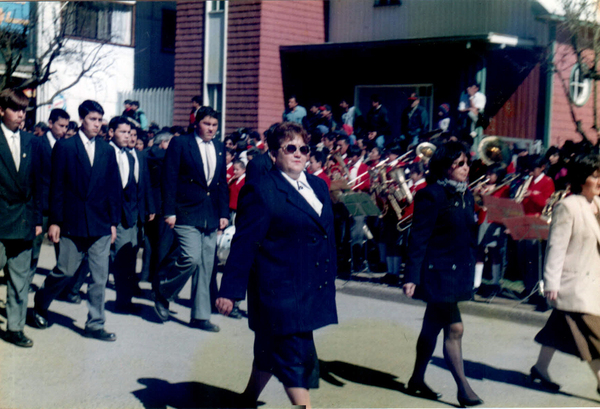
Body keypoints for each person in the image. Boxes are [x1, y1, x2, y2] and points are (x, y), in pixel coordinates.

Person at [216, 122, 337, 408]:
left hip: (309, 288)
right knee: (295, 358)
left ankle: (246, 399)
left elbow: (327, 237)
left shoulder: (318, 185)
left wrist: (330, 277)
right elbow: (245, 243)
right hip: (278, 290)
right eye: (290, 148)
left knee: (271, 350)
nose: (298, 154)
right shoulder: (261, 189)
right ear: (273, 154)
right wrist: (229, 290)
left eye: (303, 149)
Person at [32, 100, 121, 342]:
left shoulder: (107, 150)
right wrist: (55, 221)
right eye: (93, 119)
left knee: (100, 277)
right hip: (72, 222)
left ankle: (95, 323)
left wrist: (113, 222)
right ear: (81, 119)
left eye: (100, 119)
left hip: (101, 224)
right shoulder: (66, 147)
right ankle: (41, 301)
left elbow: (113, 189)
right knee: (65, 271)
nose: (98, 124)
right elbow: (56, 186)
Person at [403, 141, 483, 407]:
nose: (465, 168)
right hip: (437, 273)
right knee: (455, 328)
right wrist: (411, 276)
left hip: (458, 272)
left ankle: (416, 379)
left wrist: (475, 267)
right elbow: (419, 238)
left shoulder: (466, 194)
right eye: (459, 164)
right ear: (446, 167)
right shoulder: (432, 195)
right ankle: (464, 389)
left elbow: (469, 236)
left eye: (466, 163)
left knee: (431, 327)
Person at [529, 153, 600, 394]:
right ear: (582, 179)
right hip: (575, 285)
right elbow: (556, 247)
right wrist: (551, 282)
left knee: (558, 329)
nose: (599, 180)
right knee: (594, 336)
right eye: (594, 175)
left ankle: (540, 368)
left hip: (594, 285)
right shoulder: (567, 207)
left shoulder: (598, 205)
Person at [153, 106, 229, 332]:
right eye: (207, 124)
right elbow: (169, 177)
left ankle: (200, 315)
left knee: (206, 266)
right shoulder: (181, 143)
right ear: (197, 123)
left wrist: (224, 213)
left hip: (210, 214)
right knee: (191, 257)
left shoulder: (218, 147)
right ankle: (164, 291)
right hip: (184, 212)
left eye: (214, 125)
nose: (211, 129)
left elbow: (221, 183)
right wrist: (169, 211)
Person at [0, 89, 42, 348]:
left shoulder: (31, 142)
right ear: (1, 111)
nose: (20, 115)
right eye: (15, 109)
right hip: (1, 221)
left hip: (24, 222)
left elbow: (39, 184)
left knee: (20, 280)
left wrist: (37, 220)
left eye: (24, 110)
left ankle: (15, 327)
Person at [107, 116, 155, 312]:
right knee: (121, 258)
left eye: (131, 133)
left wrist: (148, 208)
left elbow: (142, 184)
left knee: (129, 255)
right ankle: (122, 301)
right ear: (111, 132)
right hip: (114, 214)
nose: (129, 137)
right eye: (125, 132)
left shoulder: (132, 155)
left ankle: (124, 299)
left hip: (133, 214)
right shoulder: (108, 152)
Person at [32, 109, 70, 274]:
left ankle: (62, 288)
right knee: (33, 250)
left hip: (60, 208)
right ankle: (23, 287)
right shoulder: (37, 144)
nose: (64, 130)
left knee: (63, 254)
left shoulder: (67, 146)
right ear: (50, 123)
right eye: (61, 125)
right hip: (41, 207)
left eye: (66, 126)